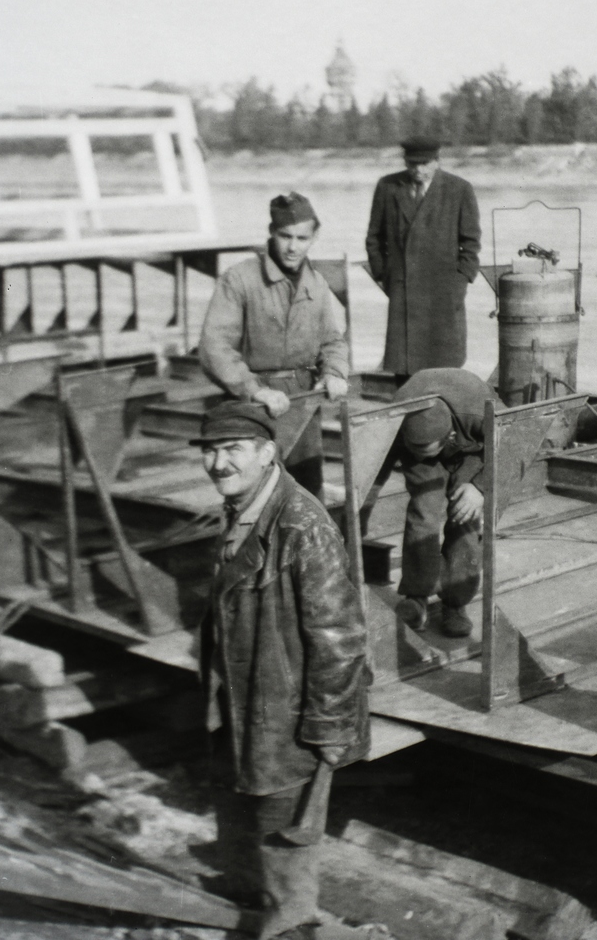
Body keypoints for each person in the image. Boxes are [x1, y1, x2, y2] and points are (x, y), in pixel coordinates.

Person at [194, 401, 369, 940]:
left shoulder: (301, 524)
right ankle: (255, 891)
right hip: (249, 691)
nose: (219, 463)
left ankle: (288, 925)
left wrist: (328, 727)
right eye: (210, 450)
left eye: (233, 450)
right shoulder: (246, 506)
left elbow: (340, 639)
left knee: (285, 820)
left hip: (287, 704)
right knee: (243, 793)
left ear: (267, 454)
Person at [200, 192, 351, 498]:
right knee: (256, 492)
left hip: (303, 396)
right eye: (285, 236)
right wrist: (255, 390)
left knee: (307, 488)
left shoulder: (316, 283)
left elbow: (332, 340)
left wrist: (334, 372)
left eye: (302, 238)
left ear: (314, 237)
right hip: (254, 401)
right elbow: (215, 347)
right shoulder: (239, 279)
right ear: (272, 232)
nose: (293, 247)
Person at [390, 367, 496, 638]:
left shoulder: (480, 411)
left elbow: (516, 442)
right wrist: (359, 514)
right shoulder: (398, 415)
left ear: (447, 438)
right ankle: (417, 596)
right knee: (423, 511)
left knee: (464, 516)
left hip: (473, 449)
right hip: (421, 442)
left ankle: (455, 602)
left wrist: (479, 488)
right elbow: (375, 467)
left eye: (427, 450)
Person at [364, 137, 482, 380]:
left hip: (443, 294)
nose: (418, 170)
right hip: (402, 292)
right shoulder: (388, 187)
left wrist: (458, 283)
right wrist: (385, 276)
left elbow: (470, 244)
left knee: (445, 368)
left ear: (437, 161)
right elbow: (374, 238)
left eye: (425, 164)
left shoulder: (459, 189)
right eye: (412, 163)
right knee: (404, 370)